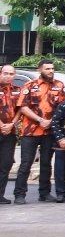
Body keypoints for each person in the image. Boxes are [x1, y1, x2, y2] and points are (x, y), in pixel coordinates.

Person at [13, 59, 65, 204]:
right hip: (30, 131)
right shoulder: (29, 85)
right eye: (47, 69)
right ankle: (19, 194)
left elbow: (63, 107)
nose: (51, 71)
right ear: (39, 70)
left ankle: (45, 193)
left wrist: (51, 121)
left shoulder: (59, 85)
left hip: (49, 131)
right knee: (26, 164)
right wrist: (40, 120)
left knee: (46, 163)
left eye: (52, 68)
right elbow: (22, 107)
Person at [0, 65, 21, 204]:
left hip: (10, 133)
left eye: (11, 74)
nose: (8, 76)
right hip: (3, 128)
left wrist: (12, 124)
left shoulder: (17, 90)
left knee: (6, 164)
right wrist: (2, 125)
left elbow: (21, 109)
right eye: (6, 73)